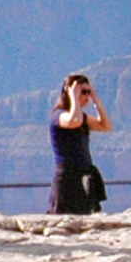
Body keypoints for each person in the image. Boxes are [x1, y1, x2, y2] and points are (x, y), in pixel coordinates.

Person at [51, 72, 110, 215]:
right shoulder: (59, 115)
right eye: (83, 92)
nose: (86, 96)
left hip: (84, 175)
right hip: (67, 179)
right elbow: (74, 121)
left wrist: (96, 101)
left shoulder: (82, 117)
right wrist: (74, 98)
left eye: (88, 92)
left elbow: (105, 126)